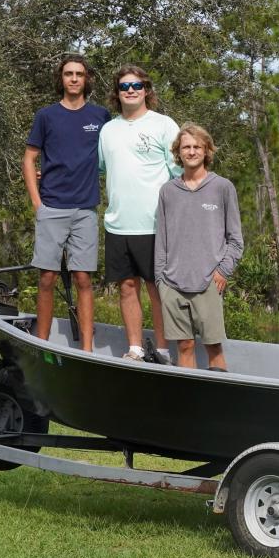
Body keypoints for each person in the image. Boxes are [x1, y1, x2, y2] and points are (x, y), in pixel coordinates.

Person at [23, 53, 110, 352]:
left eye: (79, 74)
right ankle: (41, 345)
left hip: (85, 210)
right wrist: (38, 203)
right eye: (68, 74)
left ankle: (87, 349)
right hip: (52, 207)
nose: (74, 78)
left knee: (83, 278)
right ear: (61, 79)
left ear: (87, 80)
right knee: (46, 278)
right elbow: (29, 157)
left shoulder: (101, 117)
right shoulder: (45, 116)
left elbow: (111, 156)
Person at [98, 65, 180, 362]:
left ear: (146, 90)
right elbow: (95, 169)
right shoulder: (108, 130)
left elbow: (181, 173)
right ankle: (134, 348)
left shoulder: (164, 125)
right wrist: (50, 175)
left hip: (156, 224)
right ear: (116, 93)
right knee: (127, 287)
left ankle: (160, 350)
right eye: (124, 86)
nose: (130, 90)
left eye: (136, 85)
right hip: (118, 224)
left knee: (157, 290)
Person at [155, 123, 243, 370]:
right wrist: (161, 281)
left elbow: (235, 239)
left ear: (206, 151)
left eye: (197, 147)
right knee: (184, 346)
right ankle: (188, 404)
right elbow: (161, 240)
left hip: (208, 284)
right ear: (178, 152)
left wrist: (223, 271)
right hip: (172, 284)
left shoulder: (222, 188)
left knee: (213, 346)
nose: (191, 152)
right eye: (186, 147)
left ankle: (218, 404)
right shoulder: (167, 191)